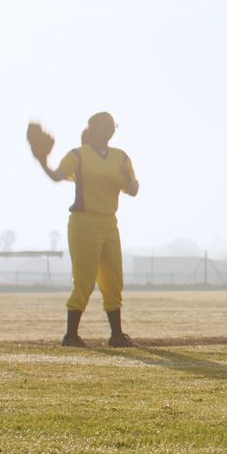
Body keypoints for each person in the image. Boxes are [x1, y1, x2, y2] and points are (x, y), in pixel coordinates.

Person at [32, 112, 140, 348]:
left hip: (109, 223)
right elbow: (57, 176)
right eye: (105, 124)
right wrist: (42, 159)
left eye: (113, 125)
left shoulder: (120, 158)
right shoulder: (78, 156)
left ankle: (117, 335)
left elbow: (133, 189)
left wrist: (128, 179)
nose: (110, 129)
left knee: (113, 279)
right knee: (85, 280)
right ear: (91, 128)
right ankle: (70, 335)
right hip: (84, 223)